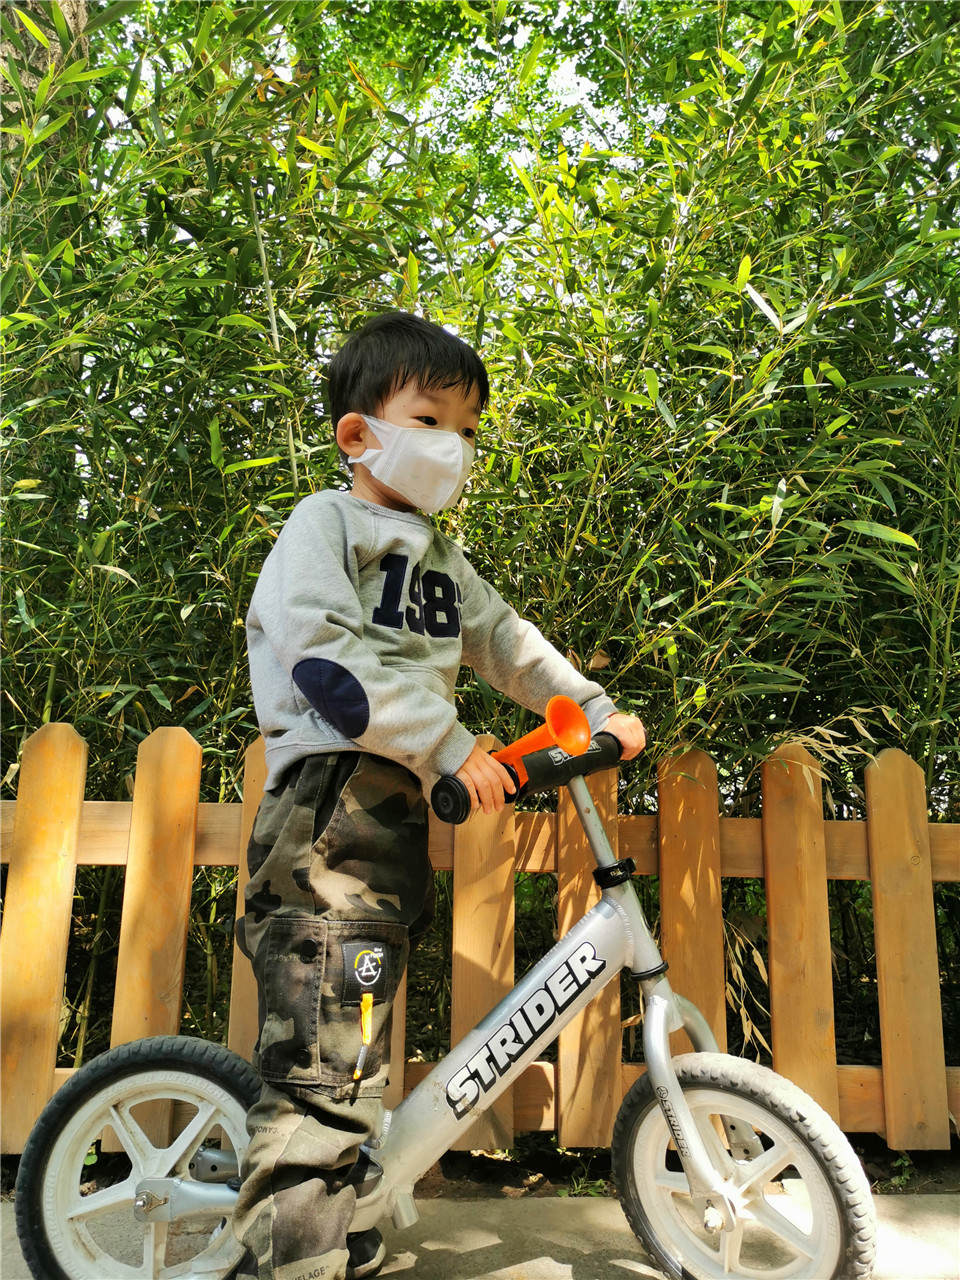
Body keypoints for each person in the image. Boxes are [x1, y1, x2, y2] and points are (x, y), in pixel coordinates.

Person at [232, 311, 646, 1280]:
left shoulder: (441, 560)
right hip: (332, 801)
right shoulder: (326, 524)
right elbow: (325, 663)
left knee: (356, 1035)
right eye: (430, 421)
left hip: (396, 808)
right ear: (359, 433)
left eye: (467, 430)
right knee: (326, 1049)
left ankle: (340, 1223)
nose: (453, 447)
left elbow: (508, 642)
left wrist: (591, 706)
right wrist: (452, 745)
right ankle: (289, 1261)